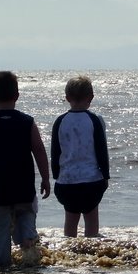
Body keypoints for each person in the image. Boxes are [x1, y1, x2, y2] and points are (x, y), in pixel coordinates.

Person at [0, 71, 51, 268]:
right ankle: (29, 258)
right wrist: (46, 179)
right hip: (24, 191)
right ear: (17, 96)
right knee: (26, 230)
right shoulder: (27, 123)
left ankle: (0, 270)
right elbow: (39, 151)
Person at [50, 76, 110, 238]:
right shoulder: (95, 120)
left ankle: (70, 254)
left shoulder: (60, 121)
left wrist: (56, 175)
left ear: (67, 98)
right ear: (91, 97)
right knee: (91, 221)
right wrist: (105, 175)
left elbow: (55, 151)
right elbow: (101, 150)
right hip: (91, 181)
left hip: (66, 182)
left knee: (70, 220)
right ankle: (89, 254)